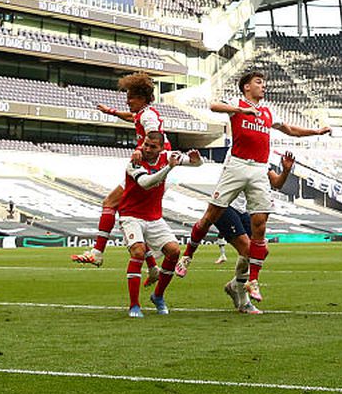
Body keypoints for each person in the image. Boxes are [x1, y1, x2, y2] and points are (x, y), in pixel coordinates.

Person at [174, 71, 329, 293]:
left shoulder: (267, 112)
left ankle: (252, 281)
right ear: (246, 87)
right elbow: (213, 106)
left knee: (260, 225)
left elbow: (290, 130)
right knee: (210, 215)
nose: (263, 86)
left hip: (259, 168)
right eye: (258, 82)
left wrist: (315, 131)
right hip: (237, 164)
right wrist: (240, 110)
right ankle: (188, 256)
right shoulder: (236, 104)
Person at [71, 72, 165, 281]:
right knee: (133, 217)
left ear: (142, 98)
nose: (128, 101)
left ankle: (97, 253)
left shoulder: (148, 117)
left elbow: (158, 139)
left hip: (146, 171)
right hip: (151, 170)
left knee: (110, 203)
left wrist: (142, 150)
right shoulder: (144, 113)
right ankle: (153, 268)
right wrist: (111, 112)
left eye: (131, 97)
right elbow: (131, 117)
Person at [118, 130, 201, 317]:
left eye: (152, 146)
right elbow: (146, 183)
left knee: (174, 251)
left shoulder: (167, 157)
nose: (147, 148)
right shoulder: (135, 162)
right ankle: (134, 306)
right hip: (131, 215)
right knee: (138, 251)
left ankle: (158, 296)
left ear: (161, 148)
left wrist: (197, 159)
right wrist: (169, 168)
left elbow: (196, 163)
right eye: (145, 144)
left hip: (154, 217)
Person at [213, 151, 298, 315]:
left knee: (261, 251)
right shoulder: (236, 151)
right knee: (247, 250)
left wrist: (286, 170)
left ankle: (234, 285)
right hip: (224, 206)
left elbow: (277, 183)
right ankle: (244, 302)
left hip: (243, 209)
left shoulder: (259, 160)